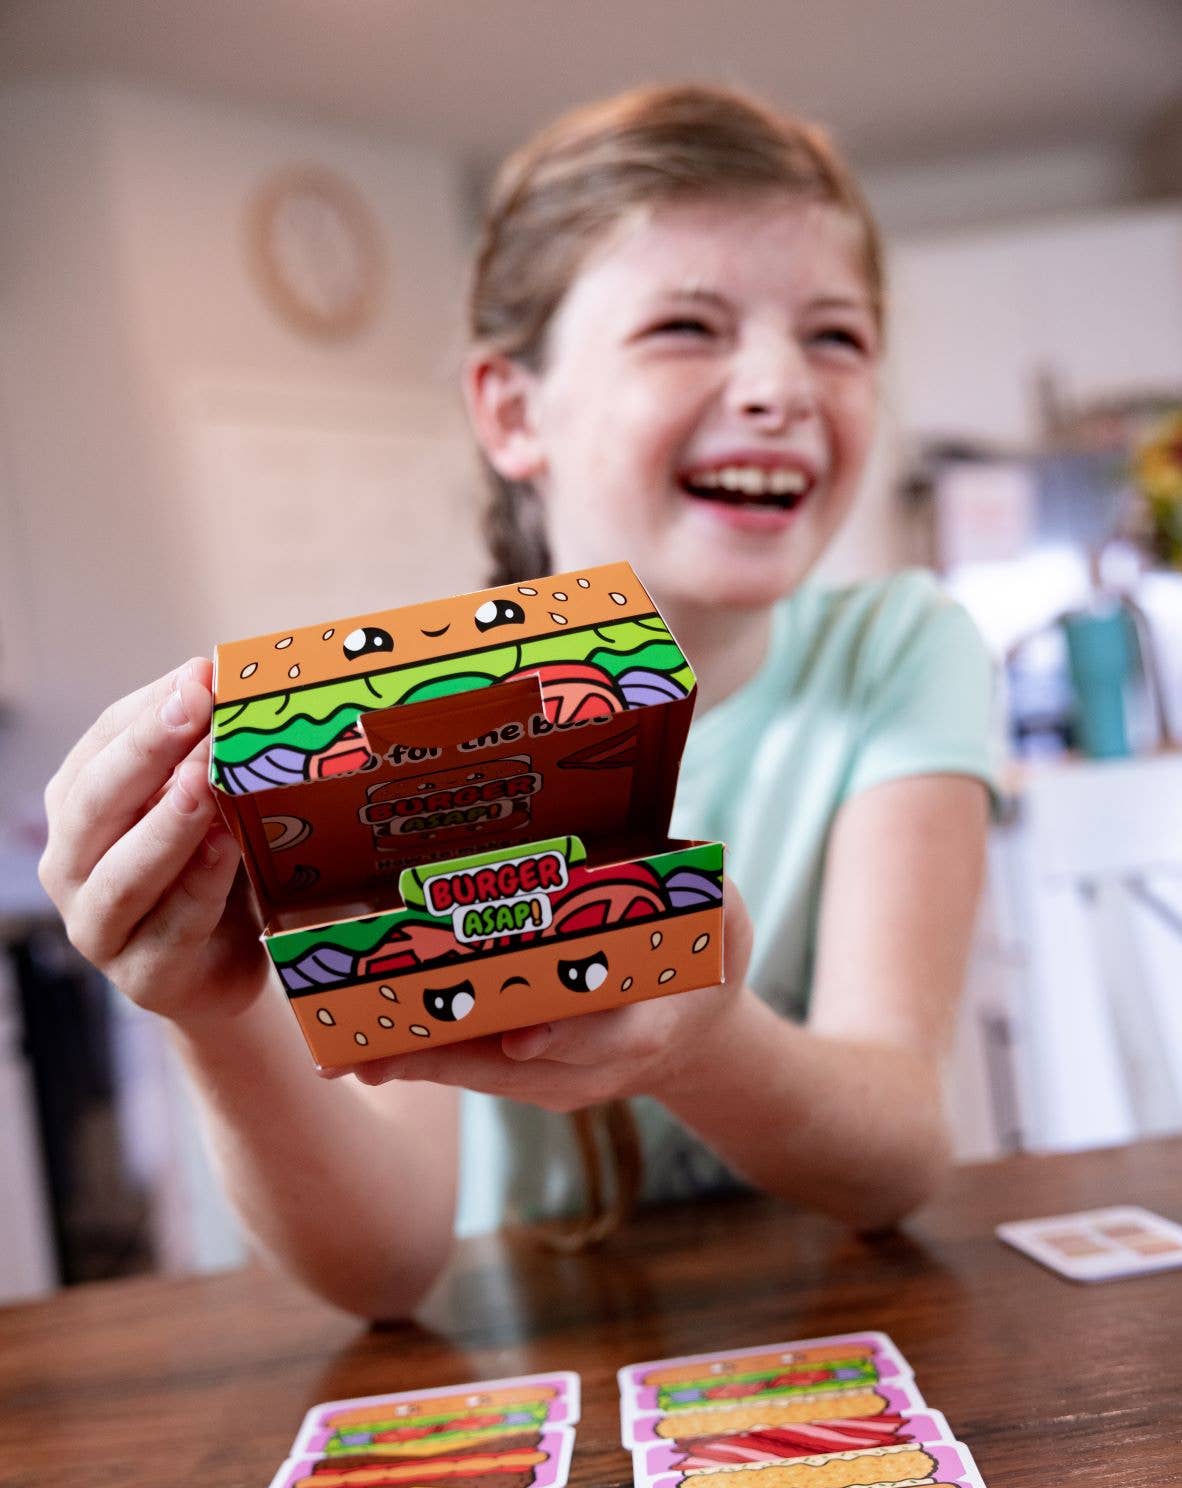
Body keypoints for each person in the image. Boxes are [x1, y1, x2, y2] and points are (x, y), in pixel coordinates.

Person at [38, 84, 994, 1318]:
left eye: (837, 337)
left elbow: (899, 1154)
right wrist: (210, 1017)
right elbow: (386, 1267)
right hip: (527, 1362)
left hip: (833, 1334)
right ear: (511, 409)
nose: (780, 387)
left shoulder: (902, 645)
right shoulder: (397, 733)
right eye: (686, 327)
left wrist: (707, 1034)